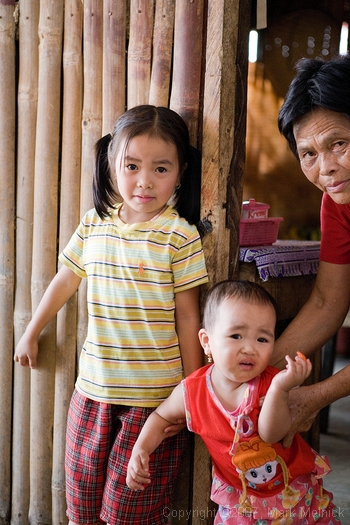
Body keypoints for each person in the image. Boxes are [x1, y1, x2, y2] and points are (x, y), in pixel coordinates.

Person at [14, 105, 208, 525]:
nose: (144, 181)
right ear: (110, 164)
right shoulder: (94, 224)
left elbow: (189, 317)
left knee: (130, 514)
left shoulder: (180, 235)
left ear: (181, 171)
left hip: (154, 404)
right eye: (132, 165)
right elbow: (66, 279)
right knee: (80, 510)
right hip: (92, 396)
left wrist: (193, 392)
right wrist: (32, 330)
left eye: (161, 168)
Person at [127, 280, 338, 524]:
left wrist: (281, 388)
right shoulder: (192, 391)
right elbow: (161, 417)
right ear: (206, 341)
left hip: (292, 492)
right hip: (241, 499)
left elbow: (272, 434)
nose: (249, 348)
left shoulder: (271, 382)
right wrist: (141, 448)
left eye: (262, 339)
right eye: (236, 335)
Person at [273, 53, 350, 447]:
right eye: (309, 154)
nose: (327, 168)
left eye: (339, 143)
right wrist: (254, 374)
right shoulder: (337, 203)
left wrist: (315, 396)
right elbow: (326, 302)